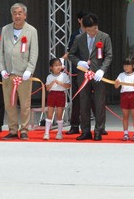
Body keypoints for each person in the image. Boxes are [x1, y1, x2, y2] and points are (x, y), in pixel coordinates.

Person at [68, 12, 113, 141]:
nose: (92, 33)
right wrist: (79, 62)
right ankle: (85, 130)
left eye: (94, 30)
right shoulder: (79, 38)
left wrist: (102, 70)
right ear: (84, 28)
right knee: (84, 103)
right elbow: (71, 54)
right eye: (89, 30)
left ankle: (98, 130)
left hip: (99, 76)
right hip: (84, 76)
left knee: (99, 103)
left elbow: (109, 55)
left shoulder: (104, 37)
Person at [0, 3, 39, 140]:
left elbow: (34, 53)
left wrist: (29, 70)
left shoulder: (31, 30)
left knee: (25, 104)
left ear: (25, 15)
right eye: (15, 13)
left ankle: (24, 129)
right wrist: (2, 68)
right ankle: (13, 129)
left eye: (20, 13)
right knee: (10, 104)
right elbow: (1, 51)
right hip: (8, 73)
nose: (17, 16)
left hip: (23, 75)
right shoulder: (5, 29)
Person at [63, 9, 89, 135]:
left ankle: (100, 126)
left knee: (95, 99)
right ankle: (74, 125)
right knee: (76, 98)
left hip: (91, 71)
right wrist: (61, 60)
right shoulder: (75, 35)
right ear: (79, 20)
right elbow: (70, 52)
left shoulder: (94, 33)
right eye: (84, 18)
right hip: (78, 71)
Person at [115, 57, 134, 141]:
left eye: (128, 65)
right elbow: (116, 86)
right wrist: (116, 82)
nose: (126, 67)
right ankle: (126, 133)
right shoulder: (121, 75)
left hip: (133, 95)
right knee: (125, 116)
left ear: (133, 65)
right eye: (124, 65)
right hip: (124, 96)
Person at [44, 58, 70, 140]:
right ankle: (46, 133)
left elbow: (69, 86)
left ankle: (59, 133)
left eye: (59, 65)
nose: (58, 67)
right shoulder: (49, 76)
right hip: (52, 94)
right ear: (51, 67)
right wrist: (52, 83)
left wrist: (61, 83)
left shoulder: (64, 76)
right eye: (56, 65)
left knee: (59, 114)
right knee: (49, 114)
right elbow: (47, 88)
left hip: (60, 94)